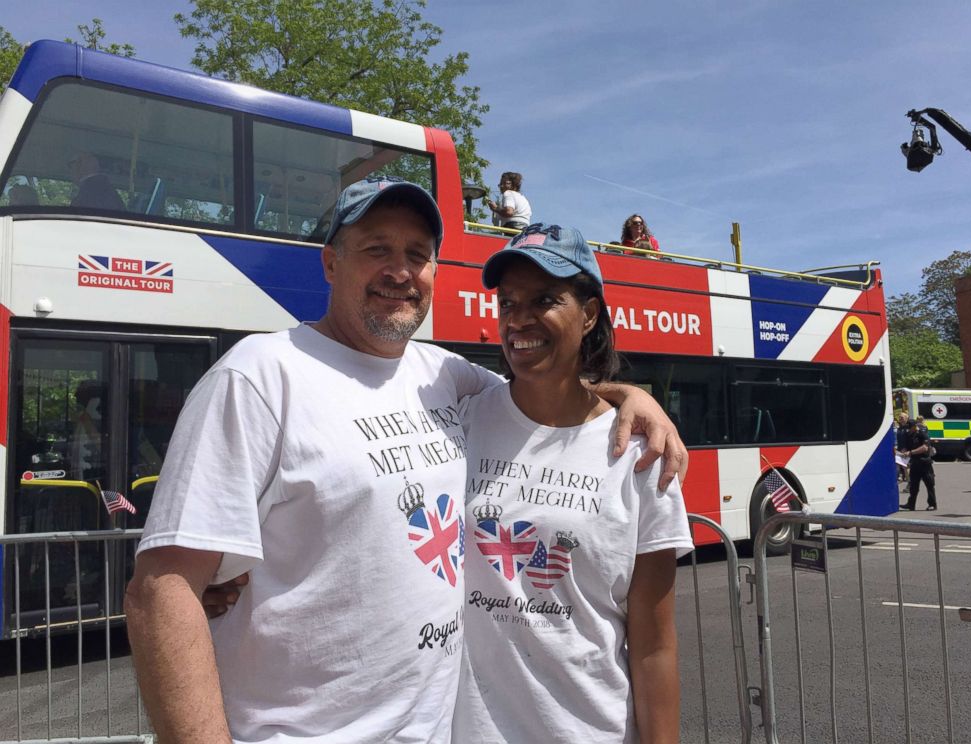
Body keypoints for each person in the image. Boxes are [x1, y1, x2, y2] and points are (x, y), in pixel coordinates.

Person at [125, 177, 687, 744]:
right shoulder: (258, 378)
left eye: (417, 254)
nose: (400, 271)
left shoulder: (442, 375)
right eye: (377, 249)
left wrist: (631, 397)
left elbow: (550, 397)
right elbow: (161, 591)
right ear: (330, 263)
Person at [453, 224, 693, 742]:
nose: (520, 319)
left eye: (544, 299)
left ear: (588, 315)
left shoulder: (642, 455)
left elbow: (654, 647)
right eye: (508, 301)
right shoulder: (462, 418)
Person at [900, 418, 937, 511]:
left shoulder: (922, 434)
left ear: (914, 426)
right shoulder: (909, 435)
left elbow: (924, 448)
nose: (908, 429)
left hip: (925, 463)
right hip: (915, 463)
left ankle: (932, 504)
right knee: (913, 486)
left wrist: (911, 452)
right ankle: (911, 504)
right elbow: (906, 447)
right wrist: (904, 451)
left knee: (929, 484)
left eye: (909, 427)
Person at [895, 412, 911, 484]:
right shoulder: (899, 428)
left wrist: (906, 448)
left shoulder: (909, 428)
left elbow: (911, 439)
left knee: (906, 468)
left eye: (902, 417)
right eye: (900, 418)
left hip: (906, 451)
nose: (900, 419)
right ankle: (898, 479)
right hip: (899, 450)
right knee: (897, 466)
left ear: (906, 418)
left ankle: (910, 484)